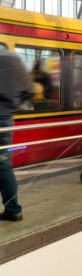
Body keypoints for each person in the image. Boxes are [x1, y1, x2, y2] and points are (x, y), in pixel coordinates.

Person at [0, 47, 32, 221]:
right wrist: (13, 104)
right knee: (3, 164)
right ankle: (12, 209)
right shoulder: (13, 58)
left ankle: (13, 209)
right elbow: (29, 89)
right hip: (5, 119)